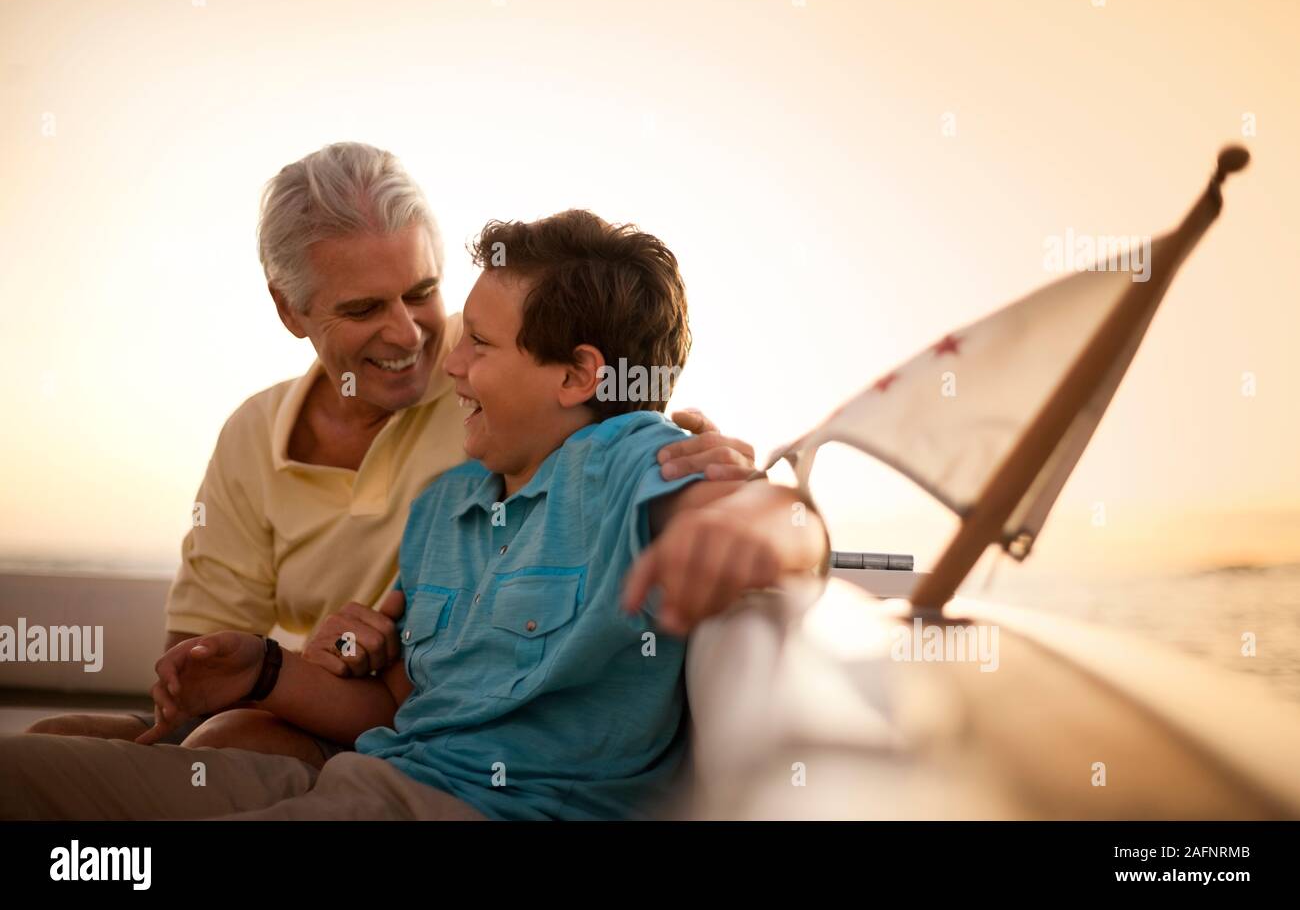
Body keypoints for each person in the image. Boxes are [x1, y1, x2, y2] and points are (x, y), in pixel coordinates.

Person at [0, 209, 828, 820]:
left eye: (481, 344)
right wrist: (263, 671)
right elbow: (395, 706)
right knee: (21, 771)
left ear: (578, 377)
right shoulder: (451, 505)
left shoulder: (627, 458)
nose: (449, 360)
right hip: (352, 779)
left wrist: (760, 523)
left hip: (466, 809)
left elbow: (770, 524)